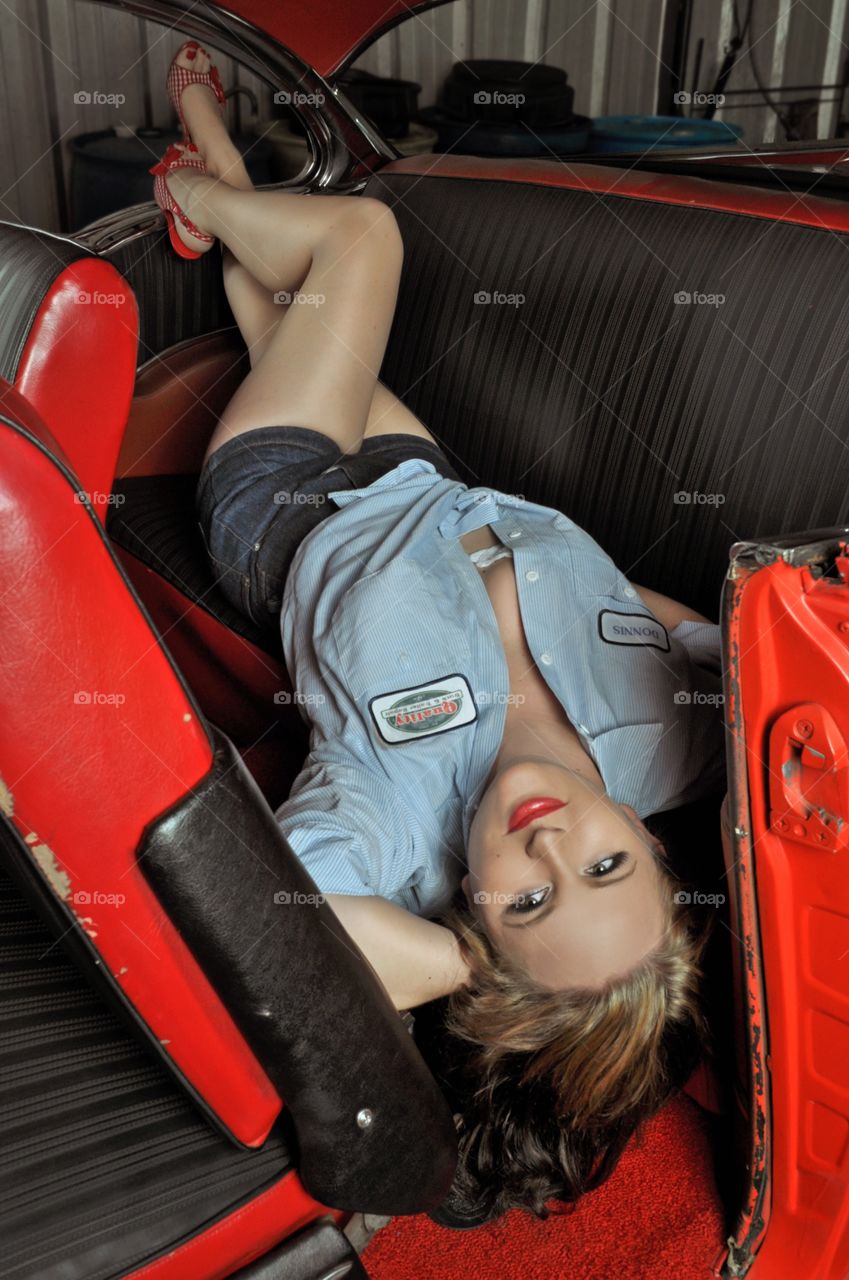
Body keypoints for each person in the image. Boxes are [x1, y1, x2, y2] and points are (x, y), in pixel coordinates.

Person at [152, 42, 727, 1224]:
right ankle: (211, 177)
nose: (552, 838)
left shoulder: (392, 817)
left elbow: (266, 923)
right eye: (607, 864)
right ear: (655, 850)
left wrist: (466, 963)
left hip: (288, 508)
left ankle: (196, 189)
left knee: (359, 245)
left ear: (468, 904)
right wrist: (711, 631)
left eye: (527, 900)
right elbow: (683, 627)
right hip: (430, 490)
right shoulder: (678, 745)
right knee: (286, 307)